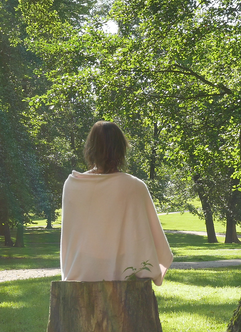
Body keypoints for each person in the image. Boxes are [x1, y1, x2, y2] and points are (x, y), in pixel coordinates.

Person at [60, 121, 173, 285]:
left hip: (81, 274)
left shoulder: (72, 185)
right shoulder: (134, 186)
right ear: (121, 149)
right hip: (125, 275)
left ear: (91, 148)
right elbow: (147, 241)